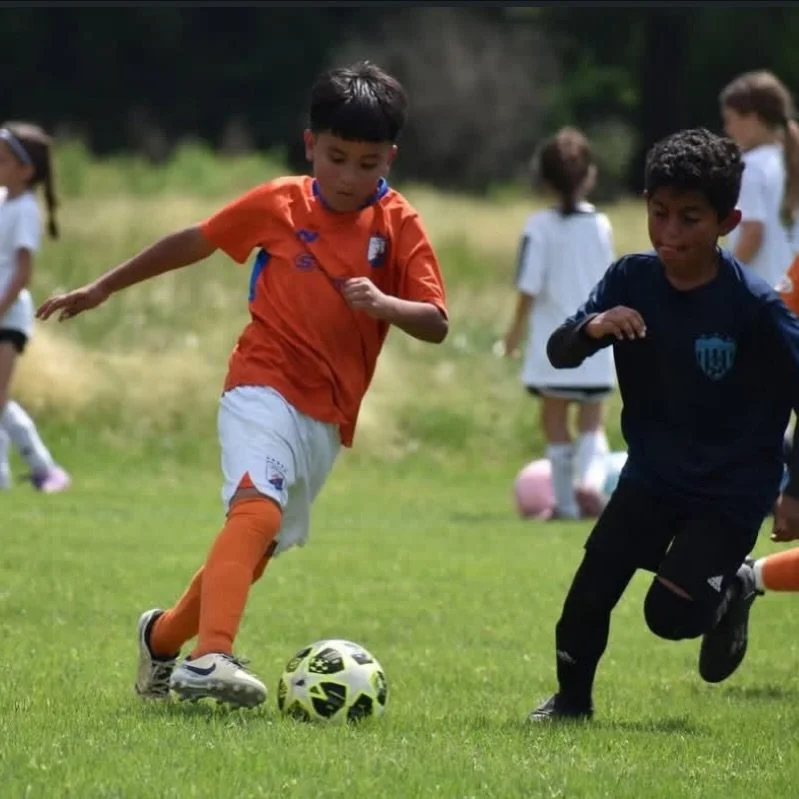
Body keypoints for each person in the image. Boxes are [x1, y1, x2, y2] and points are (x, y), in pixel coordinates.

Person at [36, 61, 448, 708]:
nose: (347, 176)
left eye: (366, 163)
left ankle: (164, 639)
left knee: (252, 549)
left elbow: (436, 321)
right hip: (259, 384)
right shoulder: (279, 202)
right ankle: (210, 658)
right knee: (255, 509)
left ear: (389, 158)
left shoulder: (400, 226)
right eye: (335, 156)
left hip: (326, 419)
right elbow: (194, 242)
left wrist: (386, 305)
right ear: (310, 144)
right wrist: (102, 286)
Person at [528, 128, 799, 722]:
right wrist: (595, 324)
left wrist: (793, 488)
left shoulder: (755, 308)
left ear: (727, 221)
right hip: (652, 474)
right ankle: (571, 706)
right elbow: (559, 350)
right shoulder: (630, 279)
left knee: (667, 615)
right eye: (659, 214)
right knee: (588, 596)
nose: (670, 234)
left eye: (690, 219)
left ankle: (728, 590)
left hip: (731, 489)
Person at [502, 128, 616, 520]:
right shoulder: (601, 225)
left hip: (555, 345)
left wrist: (514, 333)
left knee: (554, 420)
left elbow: (528, 286)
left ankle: (567, 504)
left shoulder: (539, 227)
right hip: (598, 340)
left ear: (544, 180)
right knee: (592, 420)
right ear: (590, 176)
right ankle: (590, 484)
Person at [0, 123, 71, 494]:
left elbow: (23, 271)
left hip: (8, 315)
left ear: (25, 170)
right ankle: (45, 468)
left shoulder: (25, 210)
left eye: (4, 159)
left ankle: (5, 480)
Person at [720, 70, 799, 288]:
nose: (727, 129)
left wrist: (724, 278)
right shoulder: (786, 161)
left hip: (760, 292)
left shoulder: (752, 168)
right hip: (790, 290)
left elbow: (753, 233)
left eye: (730, 119)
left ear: (753, 118)